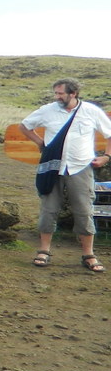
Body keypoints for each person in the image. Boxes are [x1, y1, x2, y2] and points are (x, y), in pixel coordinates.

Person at [19, 78, 111, 273]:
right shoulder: (48, 110)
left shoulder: (91, 111)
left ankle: (89, 254)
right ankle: (44, 251)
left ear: (73, 93)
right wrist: (40, 143)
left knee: (84, 210)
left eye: (61, 93)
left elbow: (109, 134)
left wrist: (106, 157)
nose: (57, 97)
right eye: (56, 93)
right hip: (53, 167)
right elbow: (25, 126)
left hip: (80, 167)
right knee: (48, 209)